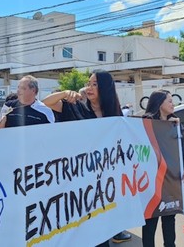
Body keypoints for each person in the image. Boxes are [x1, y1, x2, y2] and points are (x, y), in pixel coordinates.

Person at [43, 70, 131, 246]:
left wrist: (169, 125)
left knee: (102, 234)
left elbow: (132, 135)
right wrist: (64, 93)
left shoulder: (114, 115)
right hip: (79, 183)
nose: (89, 87)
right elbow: (46, 102)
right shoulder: (76, 107)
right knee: (83, 233)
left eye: (95, 84)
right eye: (89, 83)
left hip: (105, 185)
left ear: (105, 88)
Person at [141, 89, 184, 247]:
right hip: (152, 183)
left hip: (171, 181)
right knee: (150, 222)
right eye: (169, 101)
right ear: (159, 103)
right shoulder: (145, 123)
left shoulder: (175, 123)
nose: (172, 104)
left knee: (169, 220)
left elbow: (182, 150)